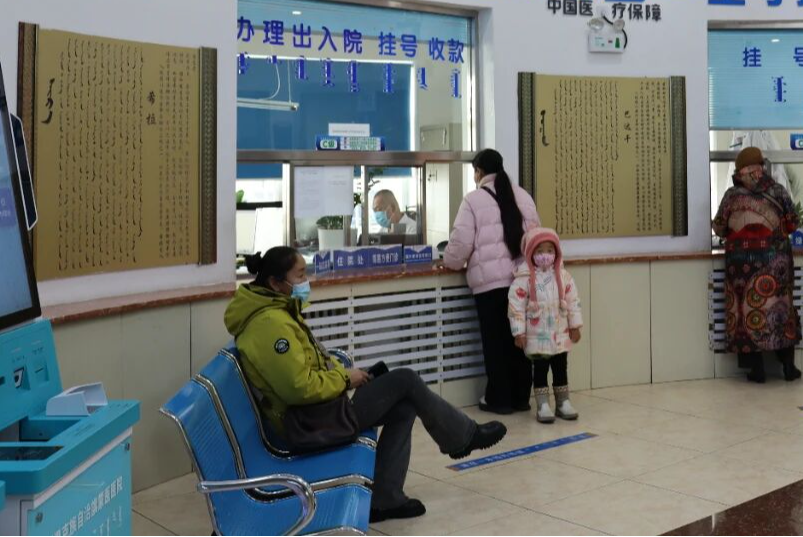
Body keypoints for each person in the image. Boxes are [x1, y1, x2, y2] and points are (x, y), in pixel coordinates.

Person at [226, 248, 507, 524]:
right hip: (306, 423)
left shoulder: (277, 310)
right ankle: (463, 438)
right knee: (406, 380)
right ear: (275, 283)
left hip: (316, 411)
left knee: (404, 405)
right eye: (299, 276)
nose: (305, 282)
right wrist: (346, 379)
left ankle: (386, 499)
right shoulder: (269, 324)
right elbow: (298, 388)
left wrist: (348, 374)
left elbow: (309, 367)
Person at [443, 149, 542, 414]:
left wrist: (449, 262)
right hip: (521, 282)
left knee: (495, 342)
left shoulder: (473, 200)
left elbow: (460, 244)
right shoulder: (523, 196)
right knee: (519, 340)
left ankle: (499, 399)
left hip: (490, 287)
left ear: (478, 172)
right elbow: (535, 239)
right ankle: (521, 397)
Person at [711, 147, 803, 384]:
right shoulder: (778, 190)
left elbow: (719, 227)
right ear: (761, 166)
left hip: (741, 267)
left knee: (746, 313)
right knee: (780, 311)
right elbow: (793, 223)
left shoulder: (732, 195)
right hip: (776, 264)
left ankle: (756, 369)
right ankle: (788, 366)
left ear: (739, 170)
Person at [508, 227, 583, 423]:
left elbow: (573, 302)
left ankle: (563, 402)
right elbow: (515, 307)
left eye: (550, 250)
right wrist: (518, 332)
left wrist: (575, 326)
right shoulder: (523, 280)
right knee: (540, 370)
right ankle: (542, 404)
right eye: (540, 251)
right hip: (537, 337)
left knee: (561, 368)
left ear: (556, 252)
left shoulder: (564, 276)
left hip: (560, 334)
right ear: (530, 252)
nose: (545, 255)